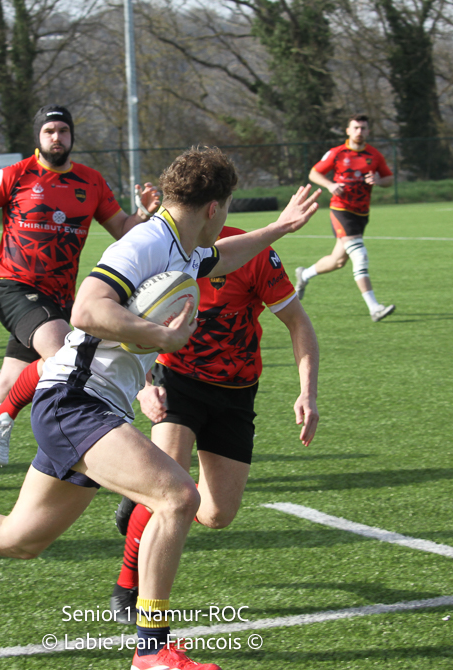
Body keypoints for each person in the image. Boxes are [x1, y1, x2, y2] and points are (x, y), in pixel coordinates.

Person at [0, 146, 320, 670]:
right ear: (214, 208)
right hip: (75, 401)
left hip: (90, 407)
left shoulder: (185, 247)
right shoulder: (147, 241)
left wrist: (278, 229)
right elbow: (87, 309)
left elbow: (225, 255)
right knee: (178, 498)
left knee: (18, 538)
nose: (226, 221)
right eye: (227, 210)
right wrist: (159, 335)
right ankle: (152, 651)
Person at [0, 105, 160, 494]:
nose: (57, 137)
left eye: (63, 130)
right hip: (15, 288)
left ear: (72, 136)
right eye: (49, 130)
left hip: (59, 300)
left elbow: (122, 228)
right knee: (61, 358)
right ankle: (5, 417)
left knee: (9, 385)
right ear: (38, 136)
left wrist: (143, 214)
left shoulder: (91, 181)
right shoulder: (15, 175)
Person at [109, 224, 320, 623]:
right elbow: (121, 326)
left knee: (217, 515)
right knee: (167, 489)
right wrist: (144, 387)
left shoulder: (254, 251)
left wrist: (307, 392)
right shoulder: (160, 250)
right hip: (177, 382)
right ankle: (127, 587)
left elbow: (298, 322)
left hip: (237, 391)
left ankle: (138, 496)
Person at [294, 114, 395, 322]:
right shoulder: (337, 153)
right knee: (360, 255)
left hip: (362, 213)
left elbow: (389, 179)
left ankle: (304, 275)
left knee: (338, 261)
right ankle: (374, 308)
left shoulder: (374, 155)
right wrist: (330, 185)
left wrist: (378, 180)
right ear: (348, 131)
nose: (359, 132)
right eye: (356, 128)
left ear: (368, 131)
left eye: (363, 128)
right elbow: (314, 173)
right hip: (341, 209)